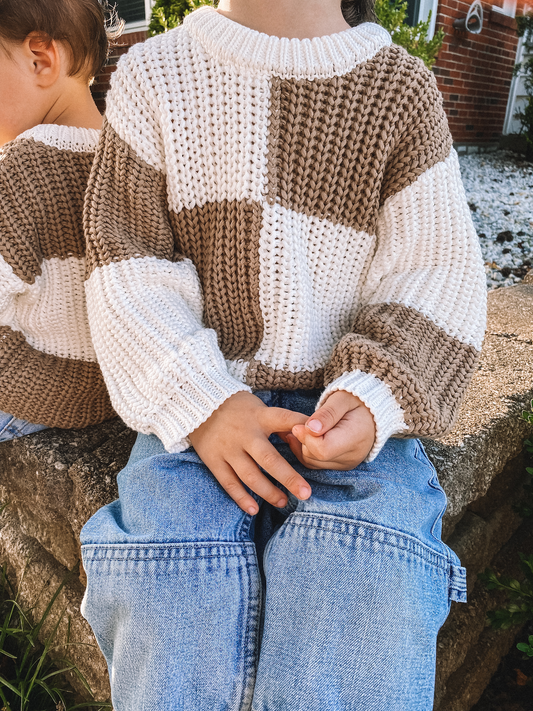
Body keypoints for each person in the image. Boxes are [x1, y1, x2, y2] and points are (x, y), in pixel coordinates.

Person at [80, 0, 487, 708]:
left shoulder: (399, 91)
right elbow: (125, 263)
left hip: (351, 417)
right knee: (163, 583)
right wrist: (201, 398)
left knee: (367, 580)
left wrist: (375, 389)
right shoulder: (155, 74)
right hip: (198, 406)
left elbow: (434, 272)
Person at [0, 0, 121, 443]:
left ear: (41, 59)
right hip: (106, 392)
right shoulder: (130, 157)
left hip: (25, 391)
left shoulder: (19, 168)